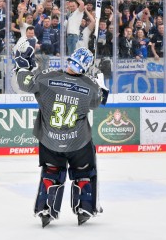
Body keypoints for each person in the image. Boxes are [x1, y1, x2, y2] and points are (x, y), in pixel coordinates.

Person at [15, 45, 108, 227]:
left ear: (71, 59)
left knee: (51, 173)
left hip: (50, 141)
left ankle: (46, 208)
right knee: (84, 173)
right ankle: (85, 207)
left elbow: (24, 83)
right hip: (78, 142)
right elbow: (99, 102)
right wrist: (101, 85)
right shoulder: (89, 87)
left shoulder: (47, 78)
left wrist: (22, 67)